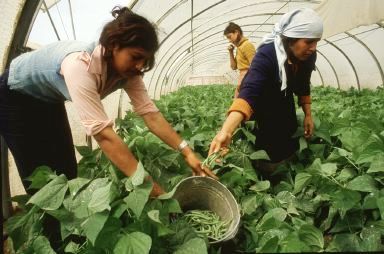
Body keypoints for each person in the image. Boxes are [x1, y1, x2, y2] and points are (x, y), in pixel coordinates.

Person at [0, 6, 216, 197]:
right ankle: (51, 234)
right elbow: (104, 135)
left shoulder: (130, 72)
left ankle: (70, 230)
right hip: (15, 95)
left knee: (66, 169)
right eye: (135, 56)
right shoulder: (80, 66)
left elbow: (150, 114)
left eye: (145, 60)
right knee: (41, 182)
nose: (140, 65)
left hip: (49, 98)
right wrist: (150, 187)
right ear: (114, 45)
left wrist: (187, 151)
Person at [210, 8, 323, 181]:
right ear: (291, 39)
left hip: (285, 98)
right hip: (264, 102)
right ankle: (266, 176)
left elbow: (303, 84)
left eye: (316, 42)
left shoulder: (309, 55)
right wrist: (226, 130)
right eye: (309, 42)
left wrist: (308, 114)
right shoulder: (267, 55)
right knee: (268, 141)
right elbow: (250, 92)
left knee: (289, 129)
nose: (313, 48)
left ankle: (287, 174)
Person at [224, 22, 256, 98]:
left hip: (247, 81)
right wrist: (231, 52)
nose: (229, 40)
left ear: (236, 32)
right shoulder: (239, 47)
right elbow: (234, 67)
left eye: (230, 37)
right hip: (242, 80)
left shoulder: (247, 45)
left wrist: (244, 82)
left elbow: (255, 67)